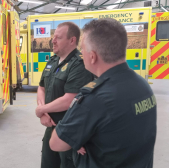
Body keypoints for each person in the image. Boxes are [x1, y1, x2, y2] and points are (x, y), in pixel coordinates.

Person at [49, 18, 157, 168]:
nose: (81, 54)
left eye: (82, 49)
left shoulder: (94, 98)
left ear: (92, 56)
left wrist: (71, 132)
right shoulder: (143, 86)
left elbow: (56, 144)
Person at [35, 22, 94, 168]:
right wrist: (43, 111)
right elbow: (41, 87)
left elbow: (70, 99)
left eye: (58, 38)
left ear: (72, 40)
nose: (53, 41)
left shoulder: (79, 64)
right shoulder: (52, 61)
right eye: (53, 37)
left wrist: (41, 110)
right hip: (51, 127)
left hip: (69, 132)